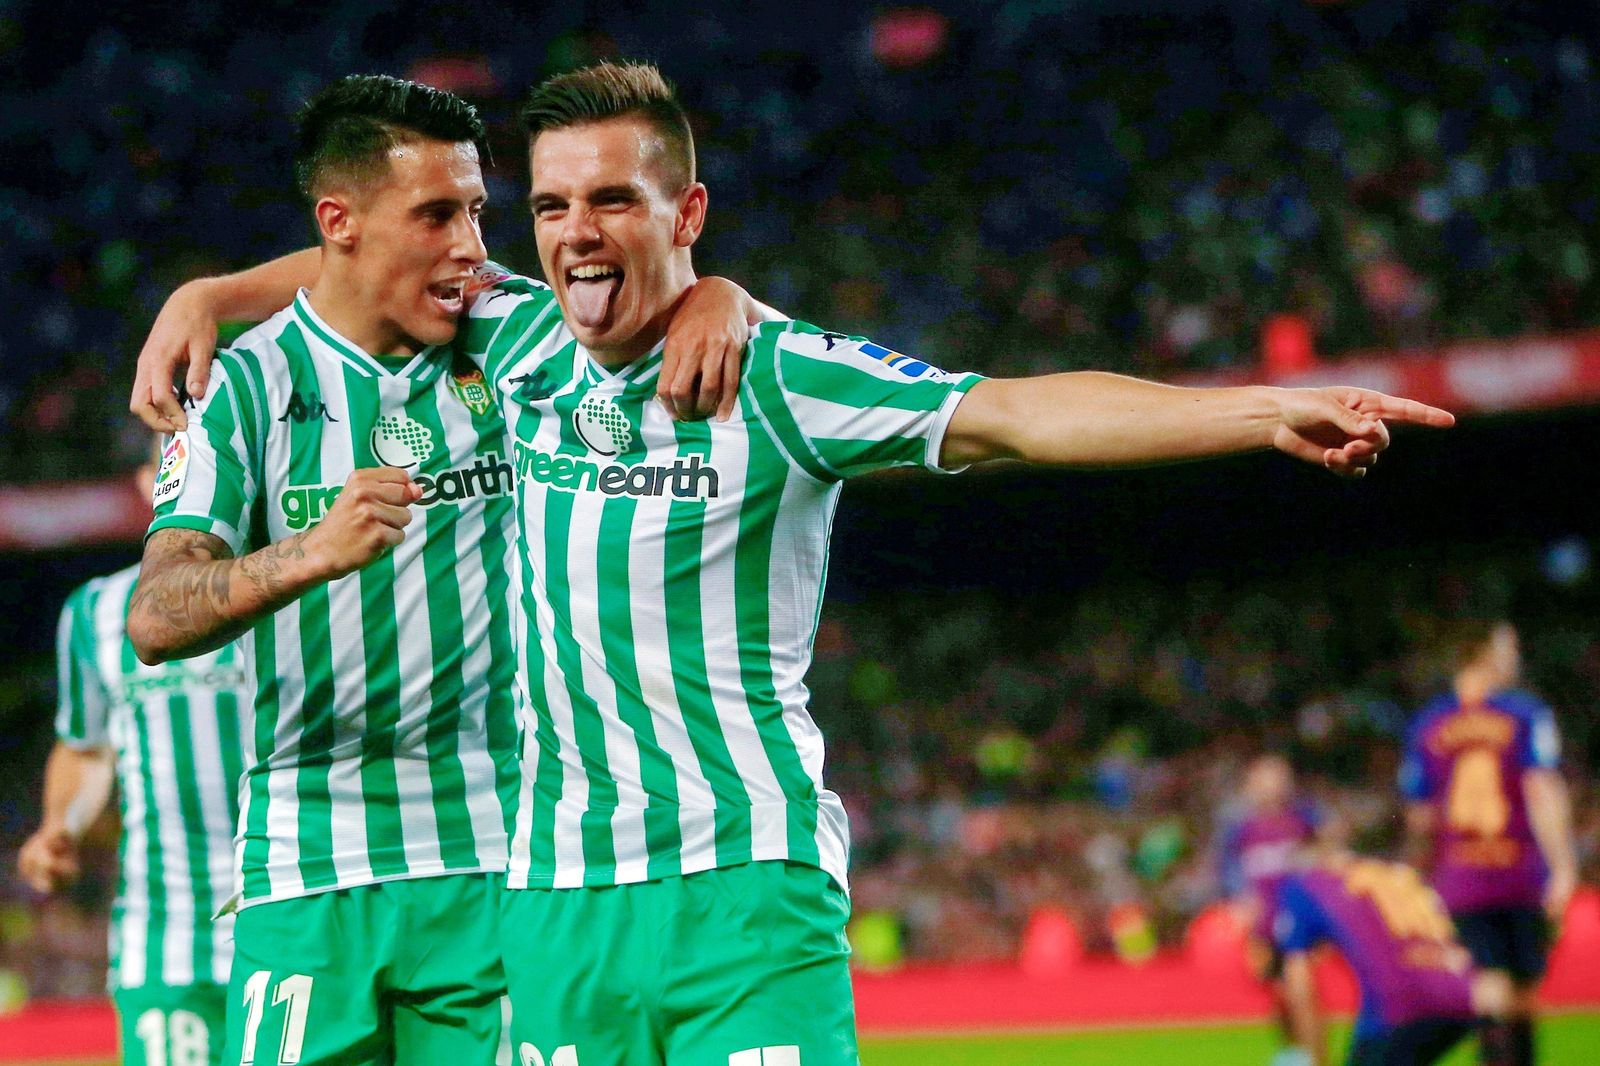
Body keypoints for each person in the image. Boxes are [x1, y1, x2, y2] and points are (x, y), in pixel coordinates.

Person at [136, 60, 1454, 1066]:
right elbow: (372, 261)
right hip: (551, 907)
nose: (569, 233)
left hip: (743, 885)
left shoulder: (774, 369)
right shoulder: (516, 348)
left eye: (611, 201)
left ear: (689, 210)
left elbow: (1014, 410)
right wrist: (209, 296)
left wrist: (1252, 408)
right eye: (547, 206)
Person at [125, 75, 758, 1065]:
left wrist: (720, 293)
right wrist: (307, 553)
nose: (469, 245)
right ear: (338, 221)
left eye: (474, 211)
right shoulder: (240, 389)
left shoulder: (503, 336)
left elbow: (644, 285)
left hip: (498, 854)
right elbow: (154, 616)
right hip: (305, 865)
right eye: (435, 214)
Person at [19, 447, 249, 1066]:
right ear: (152, 486)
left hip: (292, 912)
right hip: (167, 934)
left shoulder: (293, 588)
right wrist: (60, 826)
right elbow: (86, 749)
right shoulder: (96, 613)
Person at [1399, 621, 1577, 1066]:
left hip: (1461, 879)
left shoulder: (1428, 723)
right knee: (1521, 990)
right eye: (1509, 647)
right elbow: (1541, 788)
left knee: (1488, 985)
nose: (1515, 657)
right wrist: (1564, 866)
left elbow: (1420, 815)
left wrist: (1421, 875)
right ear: (1484, 653)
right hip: (1519, 871)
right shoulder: (1524, 713)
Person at [1273, 852, 1512, 1066]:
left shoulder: (1307, 883)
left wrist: (1314, 1059)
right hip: (1475, 993)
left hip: (1402, 1003)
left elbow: (1301, 987)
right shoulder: (1401, 874)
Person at [1219, 755, 1327, 1053]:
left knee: (1301, 991)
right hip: (1263, 922)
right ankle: (1293, 1051)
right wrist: (1239, 901)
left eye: (1279, 779)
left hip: (1298, 918)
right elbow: (1230, 869)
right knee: (1277, 993)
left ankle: (1315, 1055)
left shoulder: (1304, 820)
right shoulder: (1241, 828)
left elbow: (1325, 855)